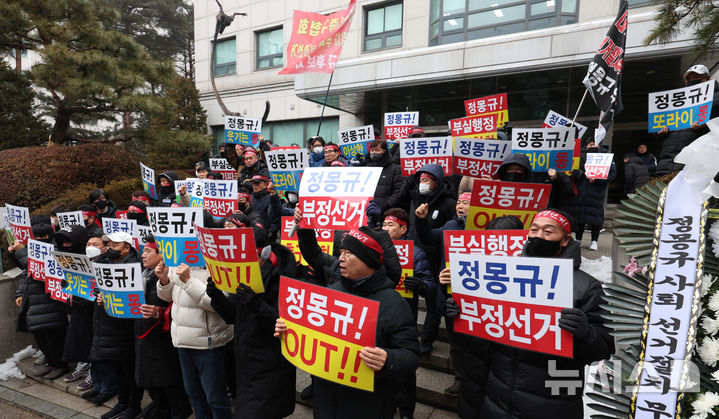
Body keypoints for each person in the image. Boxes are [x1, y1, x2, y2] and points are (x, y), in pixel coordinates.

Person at [445, 209, 614, 418]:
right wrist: (461, 317)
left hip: (556, 393)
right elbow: (480, 343)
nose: (538, 236)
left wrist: (586, 334)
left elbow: (603, 349)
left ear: (564, 239)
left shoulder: (586, 287)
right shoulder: (504, 276)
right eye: (534, 229)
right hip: (500, 390)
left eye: (548, 231)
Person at [274, 227, 420, 419]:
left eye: (348, 253)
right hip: (326, 400)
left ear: (368, 260)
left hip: (368, 404)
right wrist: (289, 329)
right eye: (341, 252)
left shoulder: (394, 304)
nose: (340, 258)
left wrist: (387, 359)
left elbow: (411, 356)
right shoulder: (331, 292)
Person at [206, 223, 296, 418]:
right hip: (246, 359)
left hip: (271, 364)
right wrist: (217, 297)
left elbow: (284, 326)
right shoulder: (242, 274)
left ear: (263, 253)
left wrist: (256, 304)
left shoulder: (284, 278)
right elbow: (232, 316)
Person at [155, 258, 234, 419]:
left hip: (208, 343)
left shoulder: (219, 262)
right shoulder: (177, 259)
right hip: (183, 340)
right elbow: (167, 297)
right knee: (194, 393)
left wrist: (188, 280)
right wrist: (164, 280)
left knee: (215, 397)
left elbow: (216, 304)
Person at [380, 208, 434, 419]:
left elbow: (431, 287)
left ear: (403, 229)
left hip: (404, 319)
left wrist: (421, 284)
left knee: (405, 374)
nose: (385, 228)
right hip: (381, 316)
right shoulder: (375, 250)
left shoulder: (416, 254)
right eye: (383, 224)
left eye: (390, 225)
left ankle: (406, 412)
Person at [135, 235, 192, 419]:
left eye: (147, 251)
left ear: (162, 256)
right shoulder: (142, 275)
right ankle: (160, 409)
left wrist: (158, 312)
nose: (143, 255)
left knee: (169, 382)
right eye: (143, 250)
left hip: (164, 339)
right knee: (152, 382)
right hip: (144, 335)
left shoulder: (171, 275)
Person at [92, 232, 143, 419]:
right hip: (109, 324)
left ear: (127, 248)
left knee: (129, 369)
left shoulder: (134, 266)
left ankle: (133, 405)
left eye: (115, 245)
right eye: (109, 245)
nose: (110, 248)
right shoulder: (104, 263)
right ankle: (122, 402)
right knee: (118, 368)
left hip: (128, 328)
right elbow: (99, 287)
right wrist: (100, 296)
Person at [12, 222, 69, 380]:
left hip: (50, 302)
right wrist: (20, 293)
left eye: (36, 237)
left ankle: (60, 365)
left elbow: (40, 269)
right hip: (34, 300)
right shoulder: (33, 250)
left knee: (53, 335)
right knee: (41, 335)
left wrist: (21, 252)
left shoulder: (55, 251)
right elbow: (27, 272)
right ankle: (51, 363)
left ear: (45, 237)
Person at [655, 64, 719, 175]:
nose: (692, 81)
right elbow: (659, 135)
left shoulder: (717, 97)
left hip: (696, 163)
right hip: (667, 163)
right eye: (689, 79)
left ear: (708, 78)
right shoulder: (675, 101)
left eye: (697, 78)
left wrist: (707, 126)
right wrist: (659, 133)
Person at [576, 141, 616, 251]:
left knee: (596, 219)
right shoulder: (580, 156)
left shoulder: (606, 158)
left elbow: (612, 174)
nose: (592, 146)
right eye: (590, 144)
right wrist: (578, 174)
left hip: (597, 192)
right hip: (582, 191)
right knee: (580, 218)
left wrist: (597, 179)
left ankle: (594, 241)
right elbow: (574, 171)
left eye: (595, 144)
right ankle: (578, 239)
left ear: (599, 146)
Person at [361, 140, 404, 229]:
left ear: (384, 151)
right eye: (372, 150)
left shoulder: (395, 169)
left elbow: (398, 192)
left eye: (377, 150)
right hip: (366, 214)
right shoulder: (366, 169)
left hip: (386, 215)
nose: (373, 153)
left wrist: (384, 206)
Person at [249, 175, 282, 240]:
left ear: (265, 185)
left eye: (257, 183)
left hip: (265, 236)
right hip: (249, 234)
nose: (255, 185)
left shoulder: (271, 199)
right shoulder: (249, 198)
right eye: (253, 183)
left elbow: (276, 220)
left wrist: (268, 233)